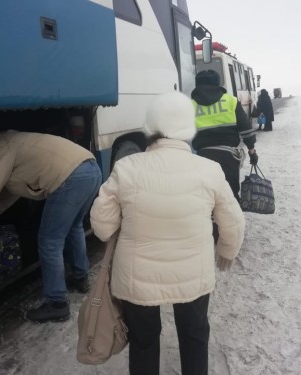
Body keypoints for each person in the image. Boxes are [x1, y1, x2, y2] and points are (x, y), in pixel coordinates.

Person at [90, 91, 245, 375]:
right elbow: (233, 219)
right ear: (189, 128)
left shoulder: (126, 167)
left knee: (143, 340)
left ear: (150, 128)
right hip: (193, 273)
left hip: (137, 277)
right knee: (195, 334)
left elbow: (101, 226)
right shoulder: (209, 169)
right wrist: (227, 250)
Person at [0, 128, 102, 323]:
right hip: (91, 169)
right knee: (74, 227)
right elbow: (11, 190)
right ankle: (81, 277)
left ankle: (57, 304)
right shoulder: (12, 142)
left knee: (49, 241)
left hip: (70, 178)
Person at [191, 70, 258, 201]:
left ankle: (212, 220)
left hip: (202, 157)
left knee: (207, 196)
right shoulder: (230, 101)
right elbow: (245, 129)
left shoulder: (190, 105)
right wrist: (252, 151)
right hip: (228, 157)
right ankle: (231, 220)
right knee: (230, 195)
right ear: (217, 83)